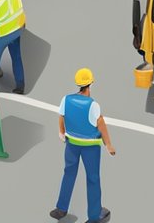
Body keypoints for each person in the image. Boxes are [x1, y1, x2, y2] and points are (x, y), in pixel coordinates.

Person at [50, 68, 114, 223]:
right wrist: (109, 145)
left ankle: (61, 208)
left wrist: (61, 132)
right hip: (90, 147)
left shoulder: (66, 99)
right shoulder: (93, 105)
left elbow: (61, 116)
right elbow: (101, 125)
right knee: (92, 178)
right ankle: (94, 215)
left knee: (69, 173)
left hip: (71, 144)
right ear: (90, 84)